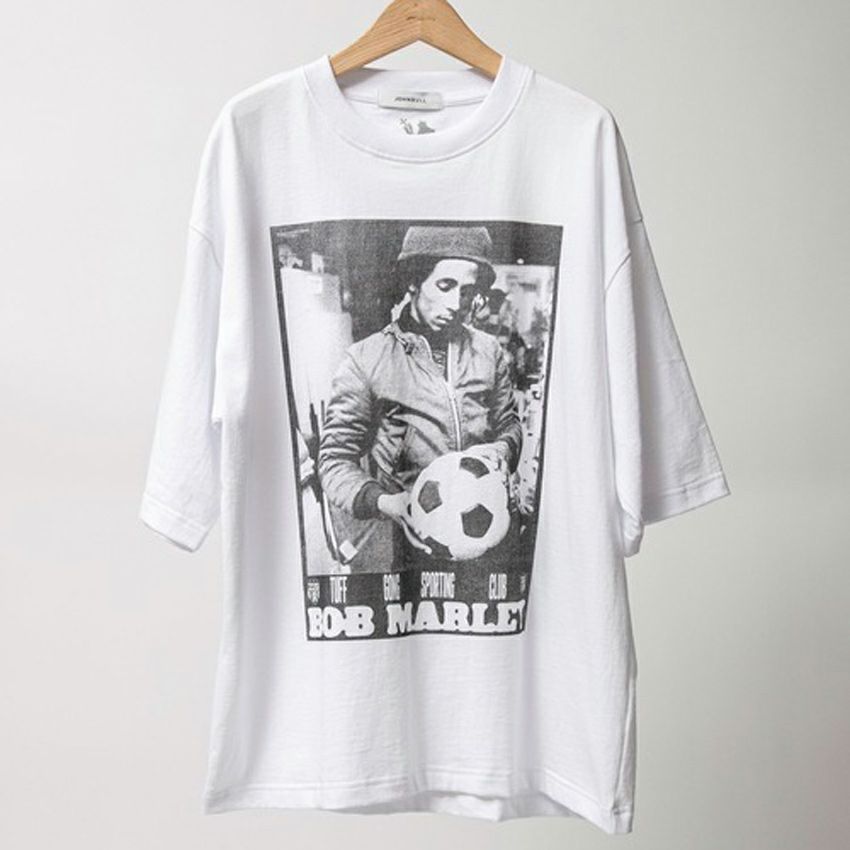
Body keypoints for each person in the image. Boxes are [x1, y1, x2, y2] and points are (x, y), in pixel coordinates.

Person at [317, 225, 523, 563]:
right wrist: (385, 502)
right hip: (403, 545)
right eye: (445, 285)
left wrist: (503, 448)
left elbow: (509, 424)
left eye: (468, 291)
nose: (456, 304)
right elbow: (334, 461)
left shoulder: (489, 352)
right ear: (414, 281)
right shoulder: (365, 359)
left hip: (480, 538)